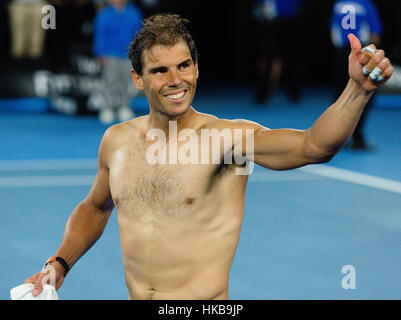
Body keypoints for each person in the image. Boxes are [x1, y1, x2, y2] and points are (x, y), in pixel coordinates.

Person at [25, 14, 393, 300]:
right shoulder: (117, 141)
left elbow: (313, 146)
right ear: (138, 78)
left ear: (196, 67)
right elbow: (95, 208)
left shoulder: (225, 140)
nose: (176, 80)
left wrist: (357, 92)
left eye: (184, 65)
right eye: (160, 71)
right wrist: (59, 263)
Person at [330, 0, 383, 150]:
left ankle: (336, 137)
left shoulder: (338, 4)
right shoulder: (366, 4)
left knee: (340, 94)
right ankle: (357, 137)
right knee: (363, 93)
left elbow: (333, 29)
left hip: (342, 53)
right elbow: (375, 33)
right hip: (361, 53)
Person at [93, 0, 143, 124]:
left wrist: (138, 52)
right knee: (109, 81)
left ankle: (124, 107)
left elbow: (139, 34)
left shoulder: (134, 12)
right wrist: (100, 53)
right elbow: (100, 35)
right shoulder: (104, 13)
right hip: (110, 55)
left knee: (126, 82)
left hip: (128, 54)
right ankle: (107, 108)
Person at [253, 0, 307, 104]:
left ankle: (293, 91)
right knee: (267, 57)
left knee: (291, 57)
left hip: (289, 21)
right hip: (269, 22)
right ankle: (263, 92)